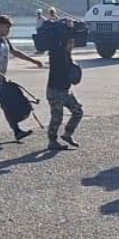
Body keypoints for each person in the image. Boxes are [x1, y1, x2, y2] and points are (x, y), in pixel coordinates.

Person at [45, 22, 84, 151]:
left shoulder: (67, 55)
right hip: (55, 91)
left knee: (77, 111)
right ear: (64, 43)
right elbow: (59, 40)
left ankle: (67, 134)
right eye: (70, 43)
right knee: (57, 117)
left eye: (73, 43)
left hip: (65, 91)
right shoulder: (57, 53)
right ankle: (52, 141)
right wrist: (68, 29)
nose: (72, 45)